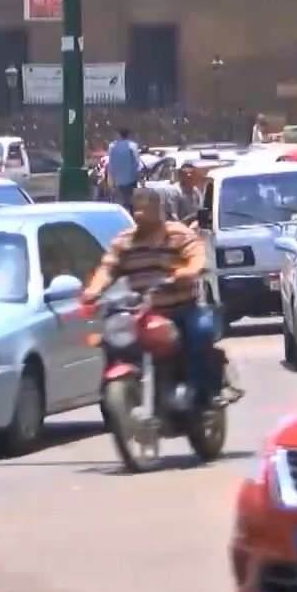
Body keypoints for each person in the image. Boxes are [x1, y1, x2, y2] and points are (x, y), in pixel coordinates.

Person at [79, 188, 223, 408]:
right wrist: (94, 289)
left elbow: (197, 257)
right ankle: (119, 394)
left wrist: (187, 272)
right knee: (112, 340)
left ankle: (203, 393)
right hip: (142, 312)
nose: (141, 214)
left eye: (147, 208)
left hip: (181, 308)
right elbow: (108, 268)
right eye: (137, 208)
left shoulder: (179, 234)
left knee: (200, 333)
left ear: (159, 209)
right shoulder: (124, 241)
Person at [105, 128, 142, 207]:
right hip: (130, 178)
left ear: (118, 135)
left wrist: (110, 178)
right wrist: (139, 176)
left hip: (117, 178)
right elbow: (137, 162)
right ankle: (130, 211)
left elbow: (110, 163)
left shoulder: (112, 146)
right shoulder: (132, 145)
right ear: (128, 135)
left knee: (119, 200)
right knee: (130, 200)